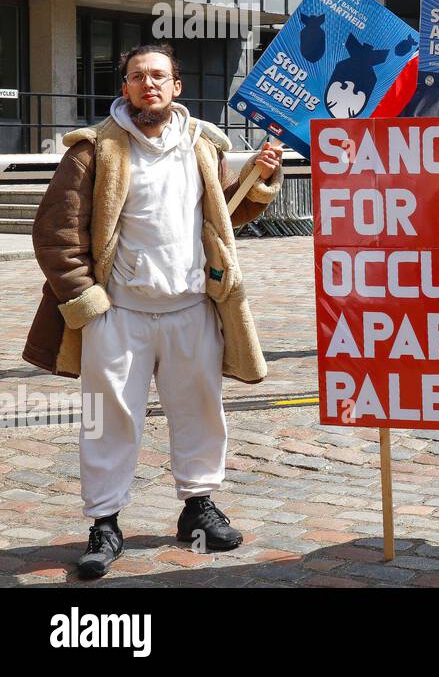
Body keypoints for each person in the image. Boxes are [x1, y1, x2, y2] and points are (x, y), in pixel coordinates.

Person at [22, 44, 284, 579]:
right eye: (138, 77)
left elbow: (232, 211)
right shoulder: (93, 150)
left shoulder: (204, 144)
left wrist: (260, 177)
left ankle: (199, 507)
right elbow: (56, 232)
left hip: (192, 308)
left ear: (176, 86)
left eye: (159, 76)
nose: (149, 85)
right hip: (117, 313)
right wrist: (85, 301)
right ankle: (104, 523)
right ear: (125, 87)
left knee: (200, 412)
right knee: (108, 420)